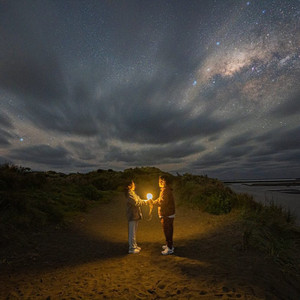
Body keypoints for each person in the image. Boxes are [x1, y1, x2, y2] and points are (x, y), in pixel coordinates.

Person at [152, 175, 175, 255]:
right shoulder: (164, 190)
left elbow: (162, 202)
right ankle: (169, 245)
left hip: (167, 214)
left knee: (167, 231)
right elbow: (160, 200)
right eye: (159, 181)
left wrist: (153, 203)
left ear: (165, 181)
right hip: (168, 213)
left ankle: (170, 248)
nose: (160, 182)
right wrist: (154, 201)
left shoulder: (165, 191)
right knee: (168, 230)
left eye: (161, 181)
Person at [126, 180, 150, 254]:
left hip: (135, 215)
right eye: (133, 184)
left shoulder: (133, 193)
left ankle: (134, 245)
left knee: (134, 232)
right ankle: (131, 248)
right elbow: (136, 203)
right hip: (132, 215)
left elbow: (139, 200)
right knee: (132, 232)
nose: (134, 185)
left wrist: (146, 201)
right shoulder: (128, 194)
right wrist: (146, 202)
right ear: (129, 186)